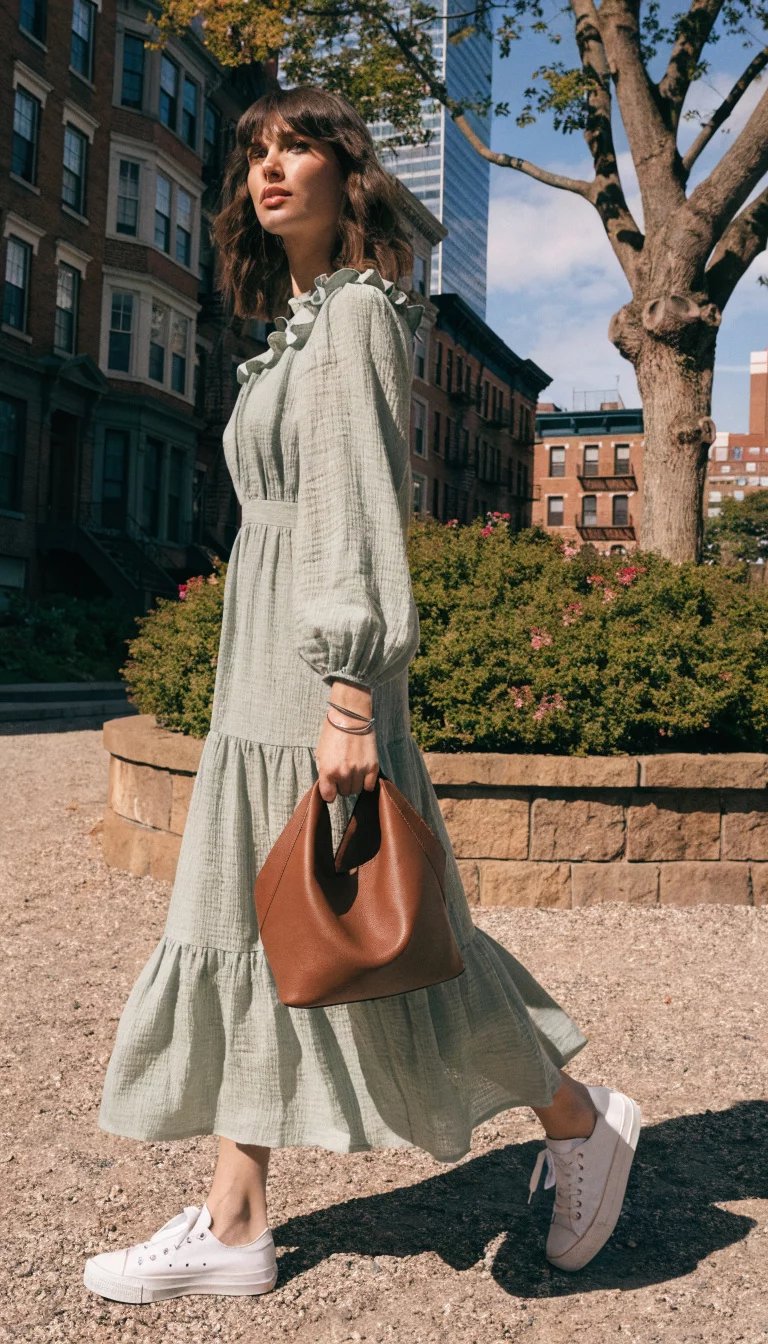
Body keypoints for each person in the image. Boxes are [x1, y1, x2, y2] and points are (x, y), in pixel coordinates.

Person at [84, 84, 640, 1305]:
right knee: (254, 928)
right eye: (256, 154)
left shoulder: (359, 319)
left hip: (312, 675)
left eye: (298, 148)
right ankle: (235, 1222)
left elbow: (360, 516)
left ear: (351, 176)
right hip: (261, 670)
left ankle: (580, 1120)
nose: (269, 170)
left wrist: (349, 698)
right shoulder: (298, 324)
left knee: (380, 936)